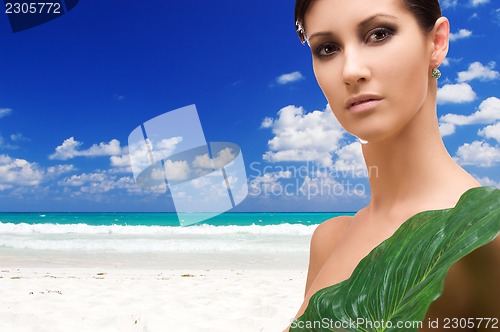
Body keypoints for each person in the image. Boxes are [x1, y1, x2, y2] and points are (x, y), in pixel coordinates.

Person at [286, 0, 500, 331]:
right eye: (327, 48)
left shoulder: (484, 236)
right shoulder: (330, 239)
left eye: (379, 34)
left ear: (437, 43)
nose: (350, 71)